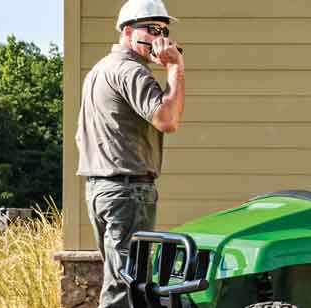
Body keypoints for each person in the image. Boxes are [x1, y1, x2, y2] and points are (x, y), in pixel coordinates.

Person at [74, 0, 185, 306]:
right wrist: (175, 67)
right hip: (128, 191)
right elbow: (168, 119)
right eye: (152, 29)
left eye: (164, 29)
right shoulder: (131, 72)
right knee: (126, 287)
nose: (161, 37)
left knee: (120, 278)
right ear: (127, 31)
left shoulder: (99, 70)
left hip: (99, 189)